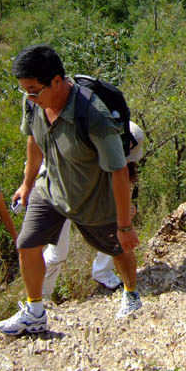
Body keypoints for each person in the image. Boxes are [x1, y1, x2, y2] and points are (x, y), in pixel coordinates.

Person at [0, 45, 140, 335]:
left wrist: (124, 225)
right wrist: (27, 183)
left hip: (92, 199)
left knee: (118, 249)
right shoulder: (33, 104)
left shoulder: (93, 116)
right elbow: (34, 140)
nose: (30, 97)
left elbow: (118, 170)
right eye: (25, 91)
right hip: (50, 189)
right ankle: (35, 311)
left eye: (34, 90)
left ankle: (131, 293)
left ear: (57, 81)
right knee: (27, 244)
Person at [42, 121, 145, 298]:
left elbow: (121, 187)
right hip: (57, 191)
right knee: (58, 253)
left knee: (119, 225)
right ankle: (39, 297)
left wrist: (125, 210)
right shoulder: (82, 152)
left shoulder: (118, 161)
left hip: (81, 196)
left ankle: (102, 272)